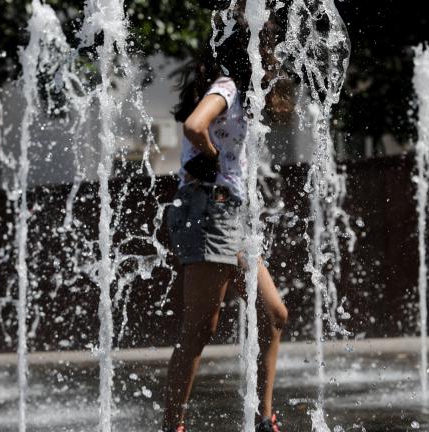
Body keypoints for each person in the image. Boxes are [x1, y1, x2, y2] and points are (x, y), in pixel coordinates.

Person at [162, 6, 292, 432]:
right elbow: (195, 127)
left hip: (227, 213)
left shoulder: (239, 93)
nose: (273, 58)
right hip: (209, 209)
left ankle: (264, 419)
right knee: (201, 324)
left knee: (274, 314)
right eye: (268, 49)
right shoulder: (227, 86)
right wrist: (213, 161)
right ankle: (173, 425)